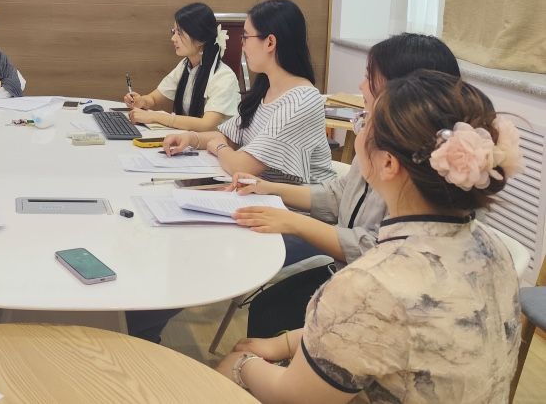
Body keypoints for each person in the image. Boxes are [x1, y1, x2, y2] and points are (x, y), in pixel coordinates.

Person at [219, 70, 523, 403]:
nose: (358, 129)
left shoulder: (369, 282)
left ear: (389, 163)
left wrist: (241, 365)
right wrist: (286, 343)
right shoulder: (493, 249)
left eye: (365, 120)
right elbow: (386, 329)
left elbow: (294, 396)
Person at [229, 33, 462, 338]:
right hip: (352, 274)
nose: (361, 86)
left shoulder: (414, 169)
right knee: (268, 307)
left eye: (369, 77)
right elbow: (339, 194)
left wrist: (293, 222)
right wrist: (269, 188)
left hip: (381, 296)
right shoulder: (383, 140)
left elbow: (378, 249)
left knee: (269, 313)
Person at [162, 0, 335, 184]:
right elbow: (229, 136)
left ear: (270, 42)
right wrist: (190, 138)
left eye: (245, 37)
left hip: (296, 200)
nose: (242, 45)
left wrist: (219, 148)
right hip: (261, 192)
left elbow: (242, 165)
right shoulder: (266, 89)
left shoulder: (300, 101)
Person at [123, 2, 240, 131]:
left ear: (200, 39)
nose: (173, 38)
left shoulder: (224, 77)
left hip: (213, 142)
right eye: (174, 31)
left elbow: (207, 125)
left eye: (179, 33)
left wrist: (155, 117)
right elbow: (154, 98)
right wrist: (141, 101)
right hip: (189, 138)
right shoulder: (185, 65)